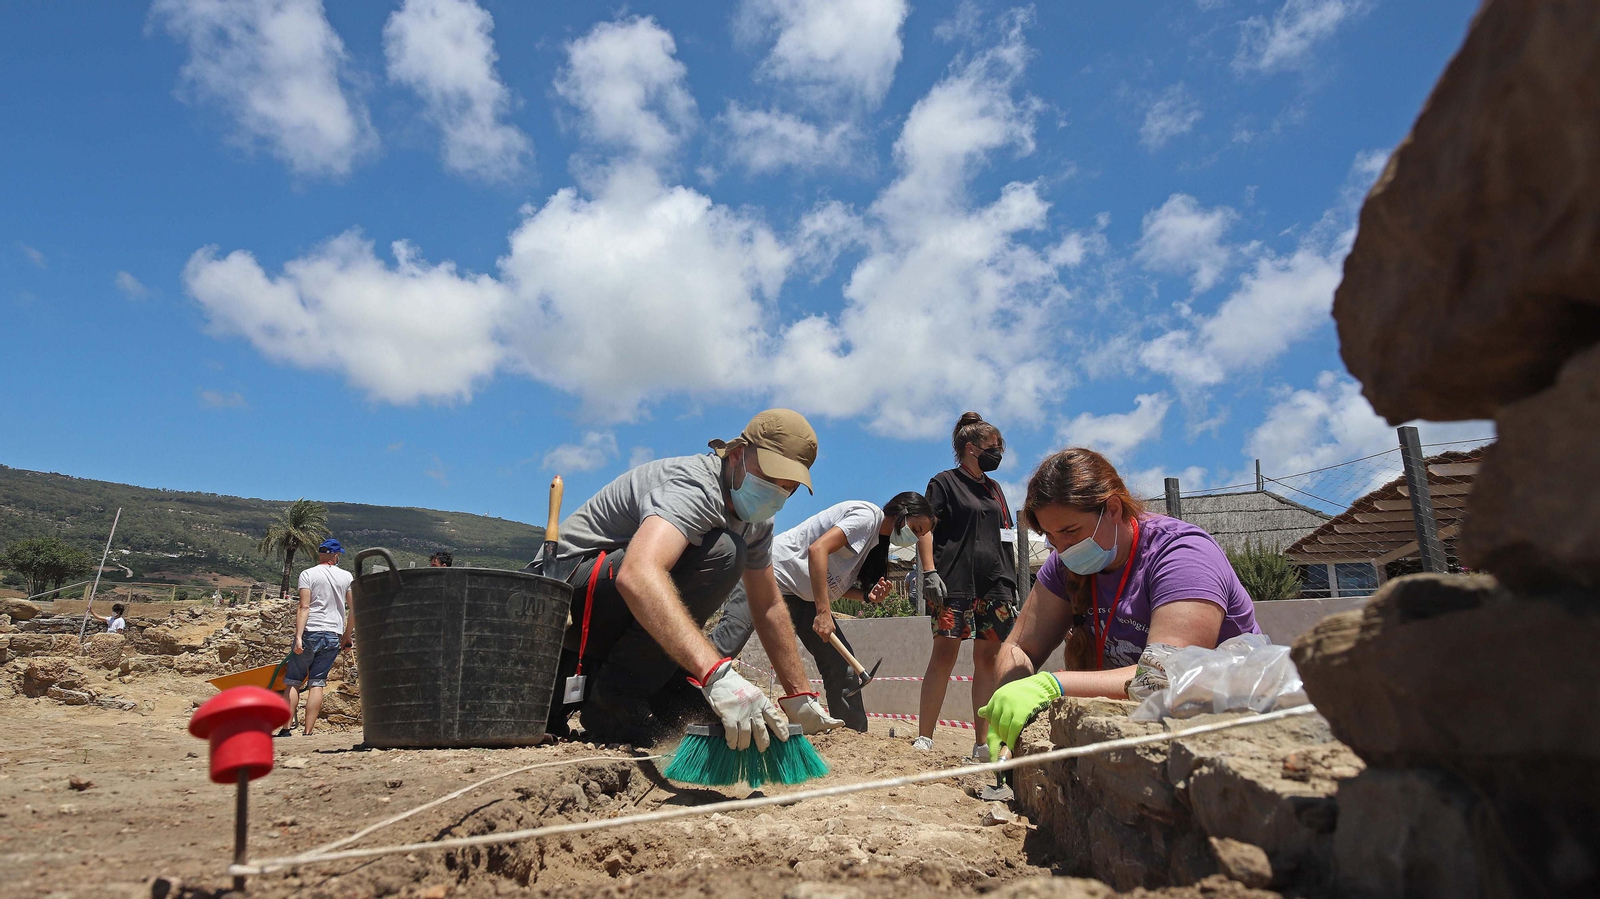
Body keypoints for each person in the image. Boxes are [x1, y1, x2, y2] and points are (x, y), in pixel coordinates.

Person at [538, 409, 835, 750]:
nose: (775, 495)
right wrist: (715, 673)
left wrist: (798, 696)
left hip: (614, 609)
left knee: (700, 714)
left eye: (788, 489)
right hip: (559, 604)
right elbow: (638, 574)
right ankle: (613, 701)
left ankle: (658, 688)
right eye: (770, 479)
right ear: (737, 455)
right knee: (725, 551)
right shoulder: (695, 486)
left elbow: (767, 604)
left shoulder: (757, 522)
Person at [979, 448, 1262, 758]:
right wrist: (1010, 694)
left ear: (1112, 509)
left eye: (1070, 531)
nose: (1061, 549)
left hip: (1234, 732)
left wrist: (1052, 685)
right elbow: (1019, 648)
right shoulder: (1064, 564)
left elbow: (1164, 676)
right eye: (1050, 537)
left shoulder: (1183, 556)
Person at [711, 492, 939, 733]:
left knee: (841, 664)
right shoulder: (866, 517)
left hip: (800, 595)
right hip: (767, 573)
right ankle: (680, 700)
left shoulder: (874, 544)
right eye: (915, 528)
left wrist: (866, 596)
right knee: (729, 640)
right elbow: (817, 550)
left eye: (920, 534)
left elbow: (834, 585)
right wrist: (823, 612)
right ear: (902, 511)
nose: (914, 538)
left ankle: (852, 737)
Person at [916, 412, 1017, 759]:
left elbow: (1005, 536)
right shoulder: (943, 482)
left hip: (995, 586)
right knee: (944, 654)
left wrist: (1011, 584)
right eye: (994, 446)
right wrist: (929, 572)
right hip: (953, 583)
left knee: (987, 660)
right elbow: (925, 527)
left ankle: (981, 744)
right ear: (971, 448)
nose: (999, 453)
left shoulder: (995, 489)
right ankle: (925, 738)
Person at [279, 538, 355, 737]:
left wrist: (298, 637)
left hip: (310, 631)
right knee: (317, 682)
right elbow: (354, 609)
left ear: (320, 554)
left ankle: (286, 730)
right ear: (335, 555)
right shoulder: (346, 577)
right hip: (332, 634)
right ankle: (308, 732)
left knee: (294, 681)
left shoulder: (308, 574)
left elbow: (304, 606)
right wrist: (346, 636)